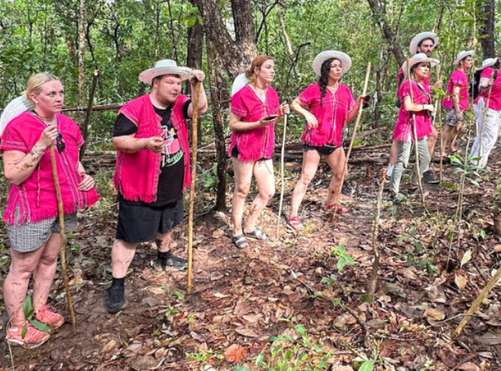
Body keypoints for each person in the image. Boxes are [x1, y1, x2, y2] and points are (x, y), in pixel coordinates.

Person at [1, 73, 98, 346]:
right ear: (34, 97)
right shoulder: (18, 127)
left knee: (49, 259)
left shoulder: (67, 124)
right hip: (32, 207)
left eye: (61, 93)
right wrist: (40, 146)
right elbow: (13, 175)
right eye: (51, 94)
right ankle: (17, 327)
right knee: (23, 268)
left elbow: (73, 161)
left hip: (62, 204)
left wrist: (84, 177)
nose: (59, 98)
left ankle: (39, 309)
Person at [106, 59, 207, 314]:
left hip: (172, 182)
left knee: (167, 223)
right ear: (156, 83)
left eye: (178, 83)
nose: (175, 88)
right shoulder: (134, 108)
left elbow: (199, 109)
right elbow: (119, 141)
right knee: (128, 236)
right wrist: (144, 144)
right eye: (170, 82)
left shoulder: (179, 104)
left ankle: (164, 257)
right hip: (139, 184)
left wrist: (197, 86)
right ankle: (117, 284)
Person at [288, 51, 366, 230]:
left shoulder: (345, 91)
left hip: (334, 141)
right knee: (306, 177)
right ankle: (293, 214)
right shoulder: (314, 89)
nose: (338, 69)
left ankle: (330, 203)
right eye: (334, 66)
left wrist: (357, 105)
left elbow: (347, 119)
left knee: (342, 174)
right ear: (326, 70)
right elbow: (295, 104)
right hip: (315, 140)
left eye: (340, 66)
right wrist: (307, 114)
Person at [228, 56, 290, 249]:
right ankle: (236, 231)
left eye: (273, 68)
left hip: (264, 148)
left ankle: (250, 226)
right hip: (245, 148)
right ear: (256, 70)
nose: (272, 71)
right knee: (242, 189)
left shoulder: (272, 94)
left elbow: (270, 122)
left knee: (268, 191)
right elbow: (233, 124)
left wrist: (279, 114)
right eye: (268, 67)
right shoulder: (242, 94)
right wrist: (257, 123)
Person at [387, 32, 441, 184]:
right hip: (408, 107)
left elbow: (423, 89)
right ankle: (392, 170)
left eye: (431, 46)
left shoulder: (426, 66)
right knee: (400, 138)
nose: (429, 48)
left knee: (431, 134)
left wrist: (433, 89)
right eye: (425, 46)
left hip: (421, 109)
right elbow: (408, 88)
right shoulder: (411, 66)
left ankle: (422, 169)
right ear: (418, 48)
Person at [470, 51, 501, 168]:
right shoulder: (490, 71)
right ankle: (477, 164)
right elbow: (482, 85)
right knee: (489, 136)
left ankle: (474, 160)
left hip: (500, 107)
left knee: (484, 135)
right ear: (499, 59)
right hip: (487, 105)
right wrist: (486, 85)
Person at [440, 50, 474, 157]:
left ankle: (451, 146)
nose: (471, 62)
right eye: (468, 60)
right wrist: (458, 111)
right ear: (461, 62)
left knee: (457, 126)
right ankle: (442, 150)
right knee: (449, 127)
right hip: (454, 106)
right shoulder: (458, 74)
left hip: (460, 105)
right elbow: (455, 94)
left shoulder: (462, 74)